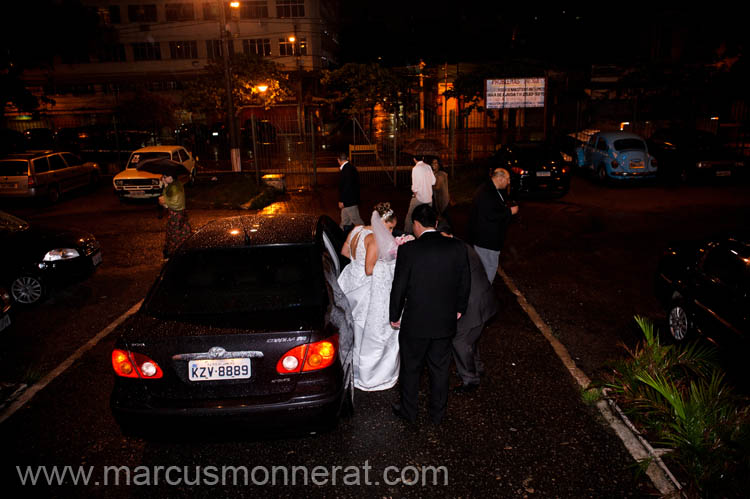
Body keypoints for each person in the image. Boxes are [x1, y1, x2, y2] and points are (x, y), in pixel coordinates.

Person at [389, 204, 471, 424]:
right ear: (436, 223)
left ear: (416, 224)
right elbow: (465, 282)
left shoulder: (409, 250)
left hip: (415, 322)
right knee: (440, 369)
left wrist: (394, 314)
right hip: (444, 321)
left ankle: (409, 411)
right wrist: (459, 309)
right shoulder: (457, 247)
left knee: (411, 368)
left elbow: (399, 286)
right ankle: (437, 414)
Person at [338, 202, 401, 391]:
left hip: (350, 282)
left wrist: (357, 259)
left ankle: (352, 369)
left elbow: (344, 252)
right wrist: (391, 265)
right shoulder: (373, 238)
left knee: (353, 330)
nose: (390, 232)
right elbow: (369, 270)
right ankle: (369, 373)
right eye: (389, 227)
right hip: (365, 289)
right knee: (367, 334)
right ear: (381, 222)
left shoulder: (356, 229)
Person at [437, 219, 497, 393]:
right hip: (483, 300)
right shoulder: (459, 245)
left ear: (444, 234)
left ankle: (470, 380)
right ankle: (477, 367)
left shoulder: (454, 251)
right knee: (471, 337)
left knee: (459, 339)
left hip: (474, 304)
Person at [467, 167, 519, 284]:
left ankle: (482, 294)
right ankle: (483, 296)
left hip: (486, 240)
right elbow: (491, 215)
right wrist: (510, 212)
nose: (509, 182)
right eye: (508, 179)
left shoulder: (491, 189)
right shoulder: (486, 192)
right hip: (486, 241)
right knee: (488, 270)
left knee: (486, 269)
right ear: (500, 178)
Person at [158, 173, 192, 258]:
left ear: (172, 176)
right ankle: (178, 252)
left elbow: (174, 202)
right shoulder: (173, 184)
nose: (165, 178)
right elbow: (168, 197)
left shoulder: (175, 186)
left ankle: (175, 253)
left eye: (167, 176)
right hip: (176, 214)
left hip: (177, 214)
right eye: (164, 177)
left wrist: (165, 203)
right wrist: (165, 185)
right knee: (177, 232)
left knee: (176, 233)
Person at [403, 155, 436, 235]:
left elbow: (415, 187)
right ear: (423, 158)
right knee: (427, 218)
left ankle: (407, 234)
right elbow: (433, 182)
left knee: (410, 216)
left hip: (419, 198)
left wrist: (414, 195)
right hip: (429, 198)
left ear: (414, 159)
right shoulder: (428, 167)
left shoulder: (415, 169)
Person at [337, 152, 364, 233]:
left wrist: (342, 200)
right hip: (350, 200)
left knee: (357, 222)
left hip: (349, 201)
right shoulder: (350, 167)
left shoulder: (346, 169)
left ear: (338, 160)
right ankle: (340, 235)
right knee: (344, 221)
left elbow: (347, 186)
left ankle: (367, 235)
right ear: (347, 158)